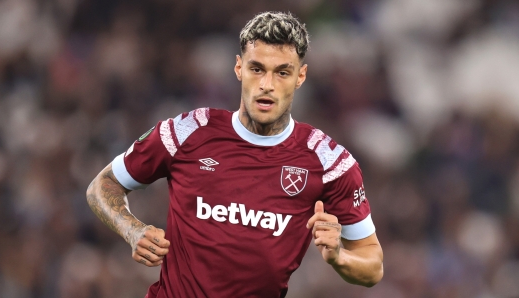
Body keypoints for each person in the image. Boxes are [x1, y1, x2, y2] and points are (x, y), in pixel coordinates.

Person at [86, 11, 383, 298]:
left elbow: (373, 267)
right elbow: (102, 185)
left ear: (300, 76)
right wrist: (133, 230)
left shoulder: (330, 162)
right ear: (239, 68)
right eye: (257, 69)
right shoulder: (188, 131)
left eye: (282, 72)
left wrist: (339, 257)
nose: (267, 85)